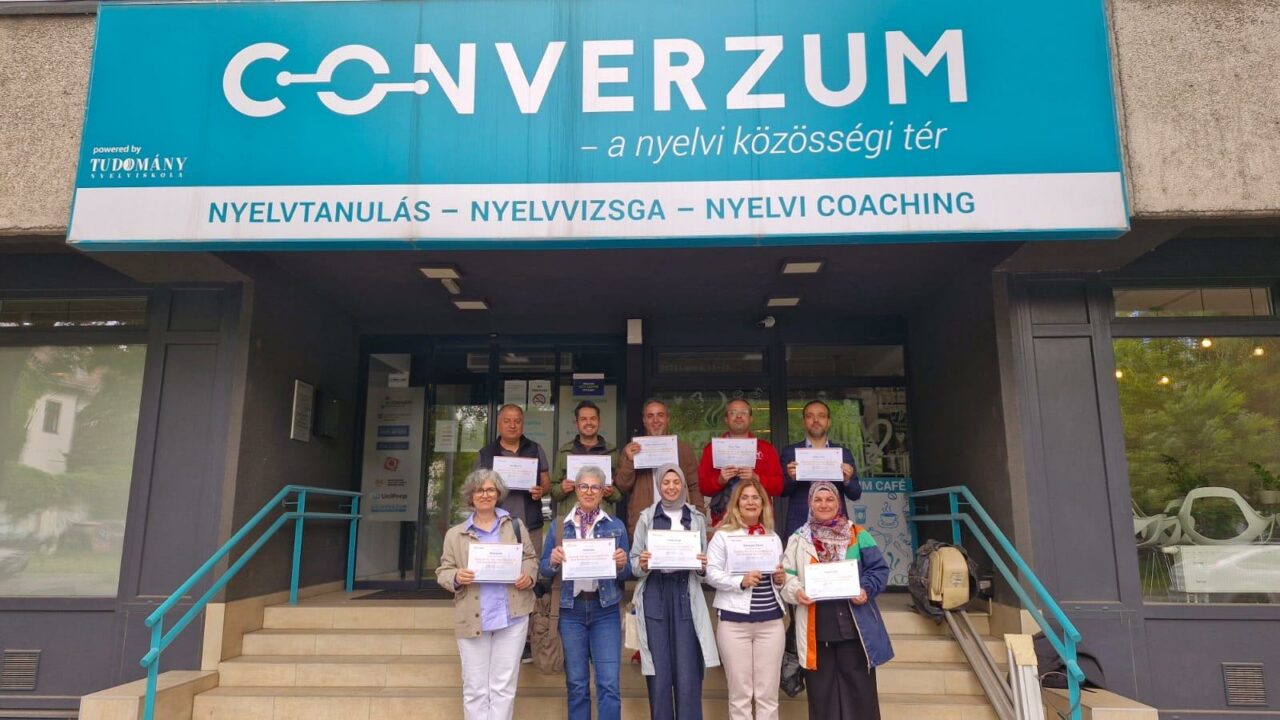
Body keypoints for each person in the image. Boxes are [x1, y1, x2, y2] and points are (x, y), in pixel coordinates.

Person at [780, 482, 894, 720]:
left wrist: (865, 588)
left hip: (854, 630)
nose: (824, 504)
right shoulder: (798, 539)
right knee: (822, 699)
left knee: (861, 696)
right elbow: (786, 577)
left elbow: (879, 569)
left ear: (839, 503)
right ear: (810, 504)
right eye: (818, 500)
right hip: (817, 630)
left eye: (829, 499)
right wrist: (797, 591)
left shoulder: (858, 534)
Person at [435, 469, 539, 720]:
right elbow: (443, 571)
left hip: (512, 616)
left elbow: (530, 558)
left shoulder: (515, 526)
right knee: (475, 689)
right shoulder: (455, 534)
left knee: (503, 687)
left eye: (490, 489)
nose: (485, 494)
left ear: (498, 493)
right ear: (471, 496)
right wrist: (456, 577)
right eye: (479, 490)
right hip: (473, 618)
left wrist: (528, 575)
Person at [540, 466, 632, 720]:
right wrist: (553, 561)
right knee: (577, 684)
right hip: (571, 611)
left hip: (606, 611)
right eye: (584, 486)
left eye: (595, 487)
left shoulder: (616, 526)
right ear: (576, 490)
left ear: (602, 492)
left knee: (609, 684)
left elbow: (627, 573)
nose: (589, 492)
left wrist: (622, 564)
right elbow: (543, 569)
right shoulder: (560, 526)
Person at [631, 464, 720, 720]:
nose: (671, 487)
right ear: (659, 486)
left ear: (683, 485)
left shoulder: (696, 519)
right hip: (655, 593)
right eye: (666, 483)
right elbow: (633, 563)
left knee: (688, 671)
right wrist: (642, 564)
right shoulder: (646, 517)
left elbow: (704, 570)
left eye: (676, 482)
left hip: (685, 594)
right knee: (659, 673)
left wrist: (702, 566)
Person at [705, 477, 788, 720]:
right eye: (745, 498)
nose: (750, 502)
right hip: (734, 624)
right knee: (740, 695)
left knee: (768, 695)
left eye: (756, 497)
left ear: (763, 504)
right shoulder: (723, 536)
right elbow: (711, 574)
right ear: (736, 503)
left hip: (771, 623)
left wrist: (780, 579)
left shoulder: (772, 537)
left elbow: (779, 578)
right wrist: (739, 582)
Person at [616, 398, 706, 538]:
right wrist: (629, 461)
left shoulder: (683, 450)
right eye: (650, 416)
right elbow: (622, 486)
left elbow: (694, 486)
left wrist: (699, 515)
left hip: (680, 520)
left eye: (660, 415)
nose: (655, 420)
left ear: (668, 419)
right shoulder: (632, 450)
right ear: (644, 420)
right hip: (645, 521)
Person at [778, 399, 861, 539]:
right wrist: (791, 479)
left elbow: (855, 494)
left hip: (835, 525)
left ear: (829, 422)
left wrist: (847, 480)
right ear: (804, 422)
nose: (816, 420)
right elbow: (782, 492)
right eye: (810, 416)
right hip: (800, 523)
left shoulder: (843, 453)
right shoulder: (790, 452)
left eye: (821, 416)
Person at [476, 403, 552, 555]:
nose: (512, 425)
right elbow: (475, 490)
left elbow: (546, 483)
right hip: (494, 526)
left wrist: (541, 490)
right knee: (499, 567)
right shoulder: (485, 454)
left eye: (517, 421)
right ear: (499, 424)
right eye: (507, 421)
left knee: (531, 567)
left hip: (530, 525)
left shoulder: (535, 449)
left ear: (522, 425)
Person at [697, 399, 783, 525]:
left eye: (743, 412)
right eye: (733, 413)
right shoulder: (712, 449)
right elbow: (702, 487)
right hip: (723, 519)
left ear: (751, 418)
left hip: (758, 519)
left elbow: (779, 487)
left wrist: (757, 478)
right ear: (726, 419)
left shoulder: (766, 449)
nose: (738, 416)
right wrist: (719, 480)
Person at [551, 400, 622, 515]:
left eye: (593, 418)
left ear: (599, 422)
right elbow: (553, 492)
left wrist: (611, 493)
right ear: (577, 423)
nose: (589, 422)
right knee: (561, 529)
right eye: (583, 419)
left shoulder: (612, 453)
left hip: (602, 520)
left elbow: (620, 494)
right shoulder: (564, 452)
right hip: (568, 520)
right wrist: (562, 489)